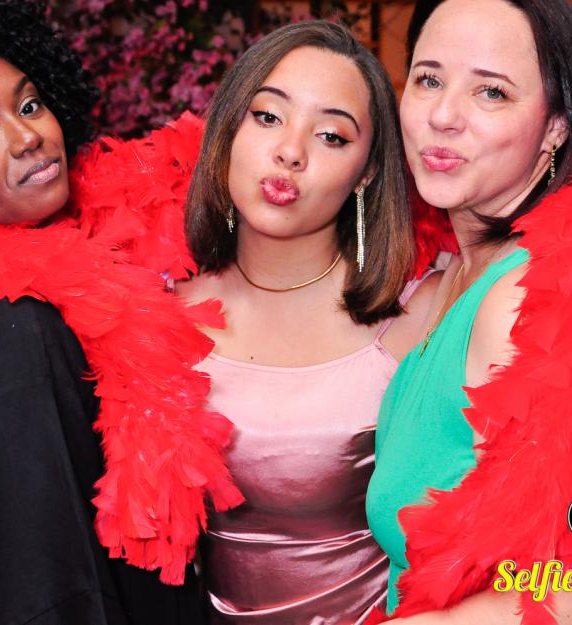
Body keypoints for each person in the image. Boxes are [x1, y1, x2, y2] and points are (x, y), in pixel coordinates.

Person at [0, 2, 236, 623]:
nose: (28, 136)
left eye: (29, 105)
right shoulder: (10, 331)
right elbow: (38, 589)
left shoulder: (94, 262)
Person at [177, 20, 441, 625]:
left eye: (331, 135)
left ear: (367, 171)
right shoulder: (150, 315)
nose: (291, 151)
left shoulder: (422, 313)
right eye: (268, 116)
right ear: (229, 127)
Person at [365, 0, 572, 623]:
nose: (442, 115)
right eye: (428, 79)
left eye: (491, 92)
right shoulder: (454, 274)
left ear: (556, 128)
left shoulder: (525, 300)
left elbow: (556, 581)